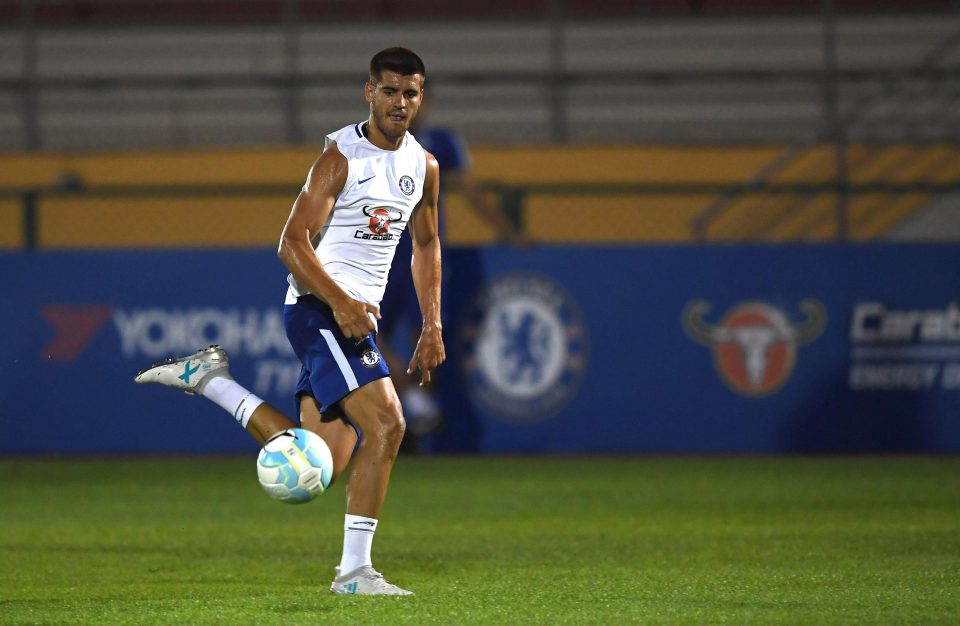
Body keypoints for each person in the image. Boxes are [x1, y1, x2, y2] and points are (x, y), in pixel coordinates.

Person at [134, 47, 442, 596]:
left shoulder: (423, 165)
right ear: (368, 92)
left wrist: (432, 323)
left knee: (316, 462)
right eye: (390, 90)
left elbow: (426, 243)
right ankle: (354, 575)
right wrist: (343, 302)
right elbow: (291, 243)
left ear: (422, 98)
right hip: (319, 310)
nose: (400, 102)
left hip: (353, 320)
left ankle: (212, 381)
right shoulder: (339, 157)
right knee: (390, 423)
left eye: (411, 92)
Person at [378, 94, 529, 448]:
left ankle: (414, 420)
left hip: (423, 257)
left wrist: (509, 231)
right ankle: (415, 405)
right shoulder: (371, 142)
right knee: (364, 336)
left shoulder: (441, 143)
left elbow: (471, 192)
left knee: (427, 339)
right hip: (379, 257)